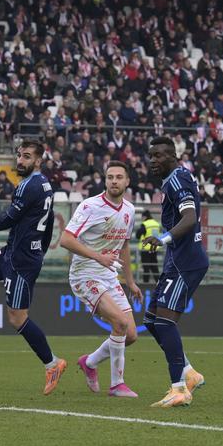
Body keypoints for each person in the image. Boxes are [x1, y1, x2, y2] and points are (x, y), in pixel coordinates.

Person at [0, 140, 66, 394]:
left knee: (17, 318)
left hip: (21, 261)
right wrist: (42, 246)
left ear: (38, 160)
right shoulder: (45, 185)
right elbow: (47, 223)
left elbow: (9, 218)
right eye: (19, 156)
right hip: (13, 252)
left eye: (26, 157)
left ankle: (52, 364)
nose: (20, 161)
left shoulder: (30, 186)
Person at [60, 161, 141, 398]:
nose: (114, 181)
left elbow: (124, 245)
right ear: (105, 181)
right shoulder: (90, 206)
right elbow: (66, 240)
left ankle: (90, 362)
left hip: (108, 274)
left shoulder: (129, 210)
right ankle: (117, 384)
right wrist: (98, 257)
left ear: (127, 181)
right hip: (85, 274)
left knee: (131, 335)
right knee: (120, 323)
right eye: (109, 177)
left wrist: (131, 281)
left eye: (118, 177)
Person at [141, 137, 208, 408]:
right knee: (151, 320)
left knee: (165, 322)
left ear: (172, 156)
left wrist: (163, 238)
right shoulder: (173, 180)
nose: (153, 161)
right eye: (151, 156)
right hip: (176, 260)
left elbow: (189, 219)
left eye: (158, 155)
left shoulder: (178, 179)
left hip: (185, 261)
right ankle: (189, 373)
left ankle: (179, 388)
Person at [134, 209, 161, 285]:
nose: (142, 219)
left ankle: (146, 284)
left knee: (146, 267)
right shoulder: (156, 223)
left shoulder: (145, 224)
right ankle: (158, 283)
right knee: (154, 267)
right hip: (154, 248)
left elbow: (138, 235)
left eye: (142, 217)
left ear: (145, 217)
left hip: (145, 249)